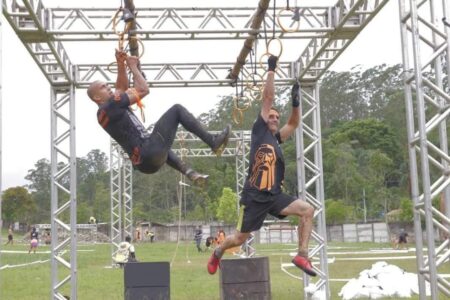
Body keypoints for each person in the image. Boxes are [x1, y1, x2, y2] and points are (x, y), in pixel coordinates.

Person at [207, 56, 316, 277]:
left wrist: (295, 102)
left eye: (277, 116)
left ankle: (302, 254)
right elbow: (267, 98)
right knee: (239, 238)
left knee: (307, 211)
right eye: (272, 116)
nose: (275, 118)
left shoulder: (277, 139)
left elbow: (294, 123)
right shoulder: (259, 131)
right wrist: (271, 70)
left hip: (274, 196)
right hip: (254, 197)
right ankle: (218, 251)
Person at [87, 50, 232, 187]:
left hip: (143, 164)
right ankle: (213, 141)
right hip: (148, 152)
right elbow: (144, 90)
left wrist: (120, 64)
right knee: (177, 110)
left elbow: (120, 88)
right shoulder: (110, 106)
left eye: (107, 85)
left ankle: (190, 173)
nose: (108, 87)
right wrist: (133, 67)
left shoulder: (106, 111)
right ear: (97, 97)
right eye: (103, 87)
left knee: (161, 144)